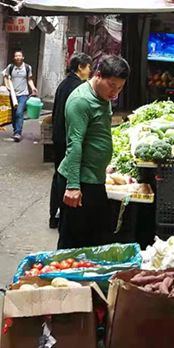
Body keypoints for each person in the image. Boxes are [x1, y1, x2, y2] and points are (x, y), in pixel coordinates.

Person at [56, 54, 130, 249]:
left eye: (120, 87)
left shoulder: (103, 96)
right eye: (112, 85)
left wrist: (102, 164)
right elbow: (74, 144)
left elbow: (97, 134)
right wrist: (73, 186)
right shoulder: (81, 101)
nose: (115, 92)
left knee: (94, 240)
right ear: (97, 75)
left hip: (94, 179)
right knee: (72, 244)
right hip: (80, 182)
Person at [49, 52, 93, 229]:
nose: (90, 71)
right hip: (67, 139)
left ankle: (54, 215)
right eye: (88, 67)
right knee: (65, 177)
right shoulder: (78, 88)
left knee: (58, 175)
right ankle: (62, 216)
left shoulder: (64, 84)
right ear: (80, 67)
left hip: (58, 136)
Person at [4, 49, 38, 142]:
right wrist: (7, 86)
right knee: (14, 114)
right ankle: (15, 130)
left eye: (19, 56)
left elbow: (29, 79)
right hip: (13, 95)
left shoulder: (27, 67)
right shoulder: (10, 67)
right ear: (14, 58)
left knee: (19, 112)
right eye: (16, 56)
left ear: (23, 57)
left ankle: (18, 133)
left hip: (23, 94)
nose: (18, 57)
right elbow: (6, 77)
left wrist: (33, 87)